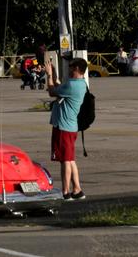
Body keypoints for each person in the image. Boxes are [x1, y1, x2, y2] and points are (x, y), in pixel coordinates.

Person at [48, 56, 88, 200]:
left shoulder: (72, 85)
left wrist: (48, 76)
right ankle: (77, 190)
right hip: (71, 127)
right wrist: (54, 74)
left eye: (71, 67)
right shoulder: (81, 84)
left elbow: (52, 91)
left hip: (63, 127)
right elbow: (60, 88)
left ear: (76, 68)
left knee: (65, 160)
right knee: (70, 159)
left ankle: (66, 192)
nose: (69, 69)